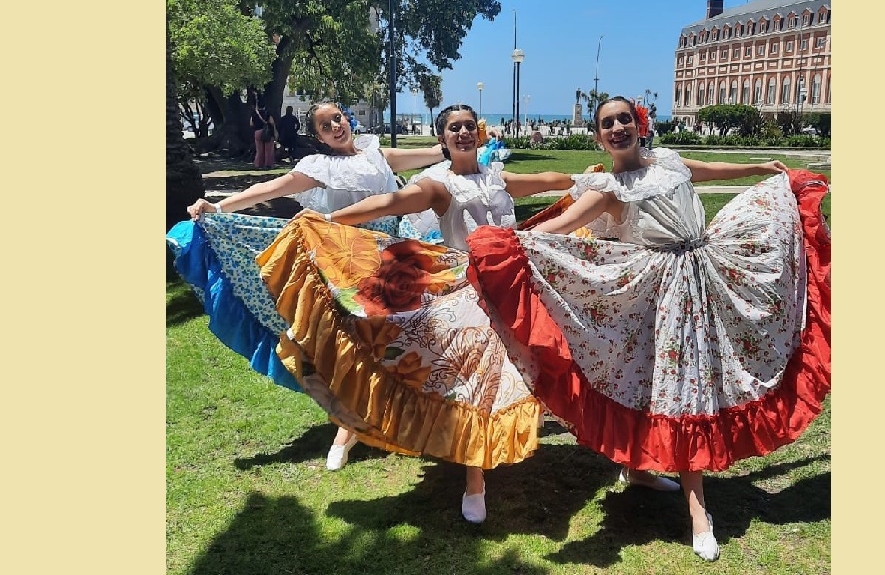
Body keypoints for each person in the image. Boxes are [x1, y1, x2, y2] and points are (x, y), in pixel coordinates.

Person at [464, 97, 831, 561]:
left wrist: (759, 167)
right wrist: (504, 246)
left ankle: (641, 473)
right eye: (607, 123)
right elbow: (559, 226)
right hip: (659, 293)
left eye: (624, 119)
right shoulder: (608, 189)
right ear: (598, 137)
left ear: (638, 125)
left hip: (708, 273)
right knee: (678, 391)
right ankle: (698, 512)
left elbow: (706, 171)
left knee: (666, 385)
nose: (617, 127)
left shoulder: (669, 161)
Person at [257, 104, 603, 524]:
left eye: (469, 126)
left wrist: (587, 178)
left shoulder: (497, 176)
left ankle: (594, 442)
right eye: (454, 128)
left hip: (515, 284)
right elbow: (387, 204)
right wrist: (329, 218)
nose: (463, 133)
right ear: (442, 139)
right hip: (469, 289)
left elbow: (546, 180)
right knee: (476, 383)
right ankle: (474, 480)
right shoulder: (439, 185)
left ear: (478, 133)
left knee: (529, 369)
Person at [171, 101, 446, 472]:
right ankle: (349, 426)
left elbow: (431, 154)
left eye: (337, 118)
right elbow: (270, 187)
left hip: (395, 254)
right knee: (350, 340)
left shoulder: (376, 152)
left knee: (404, 332)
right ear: (318, 136)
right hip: (350, 259)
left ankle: (397, 414)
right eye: (325, 125)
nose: (335, 126)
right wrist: (219, 207)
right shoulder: (320, 167)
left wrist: (466, 141)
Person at [251, 101, 277, 169]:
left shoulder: (254, 114)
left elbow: (251, 124)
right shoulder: (267, 113)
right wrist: (275, 132)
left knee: (259, 150)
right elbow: (272, 122)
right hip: (267, 132)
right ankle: (268, 164)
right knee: (269, 149)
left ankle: (259, 164)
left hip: (257, 132)